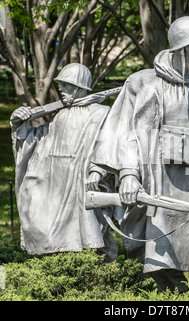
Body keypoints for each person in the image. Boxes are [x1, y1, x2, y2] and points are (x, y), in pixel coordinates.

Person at [88, 16, 189, 292]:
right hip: (160, 172)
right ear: (181, 48)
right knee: (163, 225)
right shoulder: (147, 86)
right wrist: (129, 174)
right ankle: (169, 282)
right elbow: (131, 133)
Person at [10, 63, 118, 261]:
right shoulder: (60, 114)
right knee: (51, 234)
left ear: (79, 87)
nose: (61, 89)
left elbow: (109, 146)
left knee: (92, 238)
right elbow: (38, 141)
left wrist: (97, 172)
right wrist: (19, 122)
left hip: (81, 181)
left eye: (66, 85)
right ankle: (60, 266)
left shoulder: (101, 113)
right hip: (55, 184)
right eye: (61, 84)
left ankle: (99, 273)